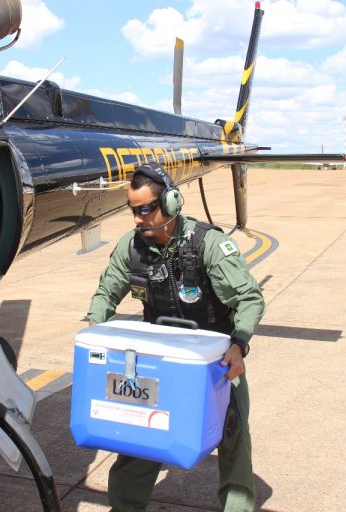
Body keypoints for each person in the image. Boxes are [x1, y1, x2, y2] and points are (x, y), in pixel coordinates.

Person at [87, 163, 265, 512]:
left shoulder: (207, 244)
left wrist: (238, 344)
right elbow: (105, 295)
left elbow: (249, 298)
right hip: (159, 360)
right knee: (142, 436)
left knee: (232, 433)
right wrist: (95, 336)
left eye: (145, 210)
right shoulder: (132, 247)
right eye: (132, 211)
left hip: (214, 362)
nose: (138, 219)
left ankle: (238, 506)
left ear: (169, 204)